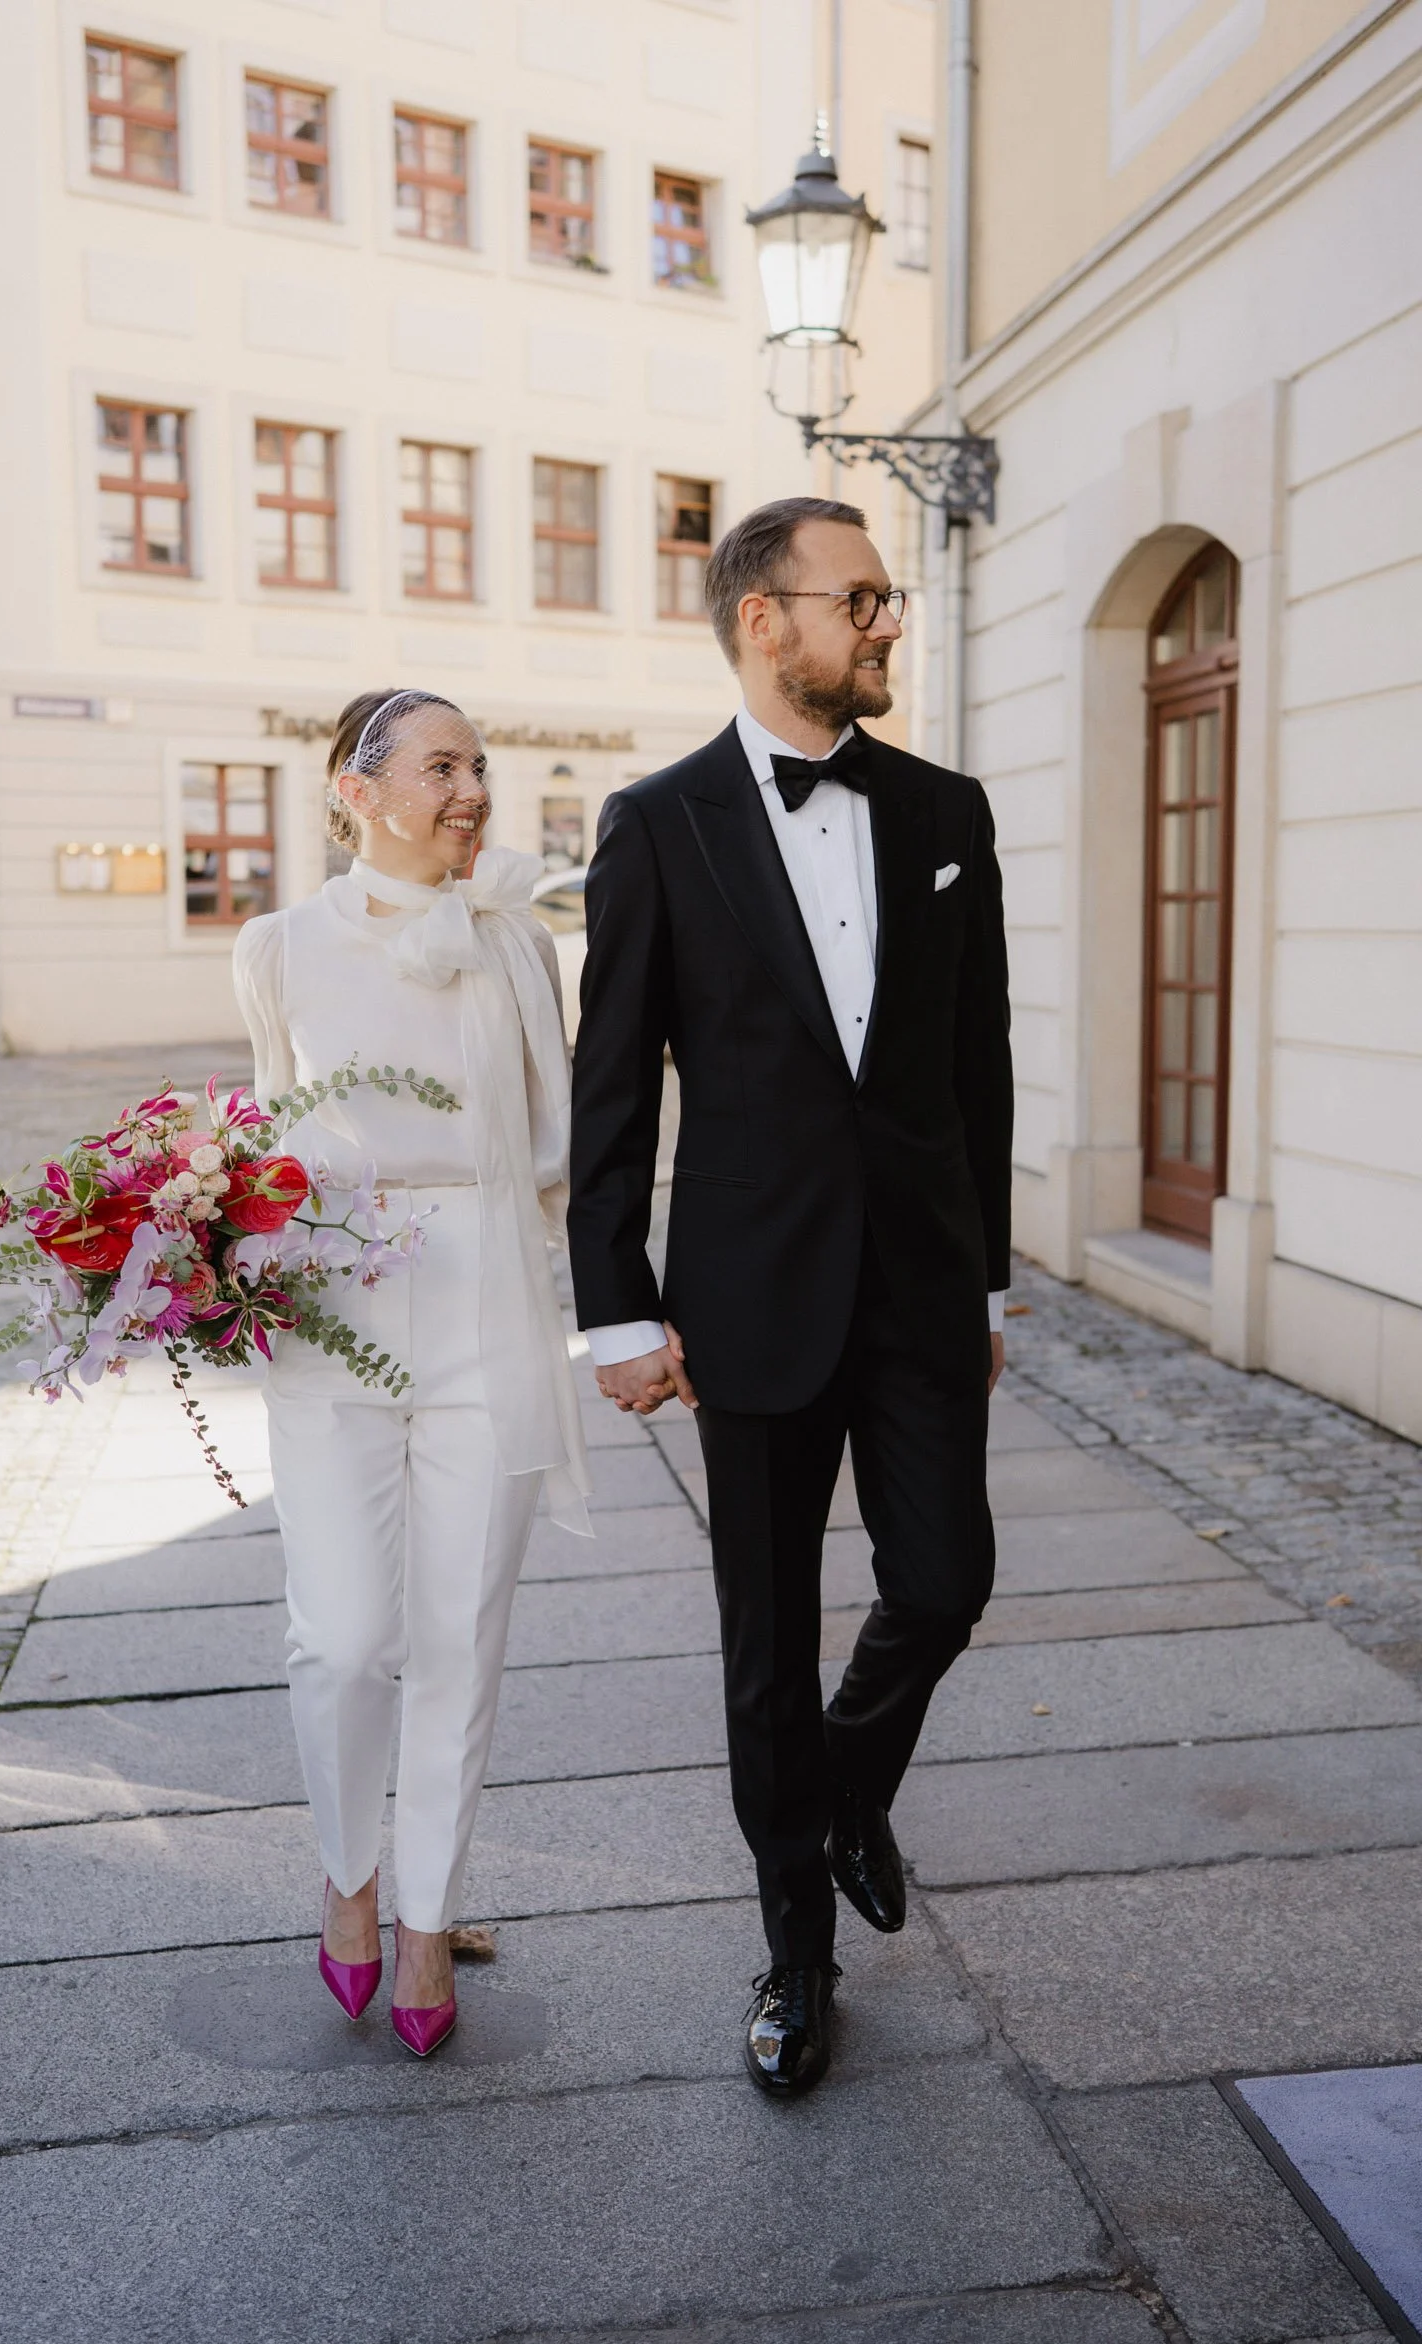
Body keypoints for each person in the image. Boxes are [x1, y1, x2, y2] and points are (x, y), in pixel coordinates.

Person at [568, 498, 1012, 2095]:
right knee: (762, 1647)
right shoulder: (656, 819)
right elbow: (610, 1090)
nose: (886, 622)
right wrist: (614, 1310)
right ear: (768, 618)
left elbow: (980, 1075)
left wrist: (989, 1281)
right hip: (745, 1301)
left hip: (917, 1292)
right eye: (862, 598)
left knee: (947, 1581)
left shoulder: (949, 808)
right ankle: (794, 1962)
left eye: (886, 599)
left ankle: (841, 1791)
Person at [233, 688, 590, 2057]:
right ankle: (348, 1875)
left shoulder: (517, 942)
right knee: (343, 1636)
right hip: (332, 1305)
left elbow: (561, 1141)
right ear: (356, 791)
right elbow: (271, 1121)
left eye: (482, 767)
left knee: (458, 1634)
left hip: (486, 1294)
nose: (473, 790)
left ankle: (429, 1913)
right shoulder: (274, 949)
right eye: (444, 766)